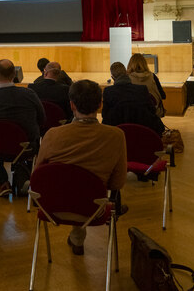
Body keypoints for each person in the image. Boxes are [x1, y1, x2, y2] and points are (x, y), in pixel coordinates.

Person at [34, 79, 127, 255]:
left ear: (71, 105)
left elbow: (37, 175)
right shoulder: (116, 136)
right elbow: (117, 183)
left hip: (52, 207)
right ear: (100, 105)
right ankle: (77, 236)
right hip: (93, 209)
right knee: (84, 190)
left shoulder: (52, 135)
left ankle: (77, 237)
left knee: (71, 185)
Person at [0, 59, 45, 197]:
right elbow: (42, 120)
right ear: (14, 74)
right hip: (25, 149)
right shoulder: (29, 95)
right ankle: (23, 178)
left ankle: (2, 181)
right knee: (24, 140)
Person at [102, 62, 165, 135]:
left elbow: (105, 115)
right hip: (142, 133)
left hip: (117, 135)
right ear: (126, 73)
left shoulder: (108, 91)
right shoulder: (142, 89)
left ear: (112, 77)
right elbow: (152, 111)